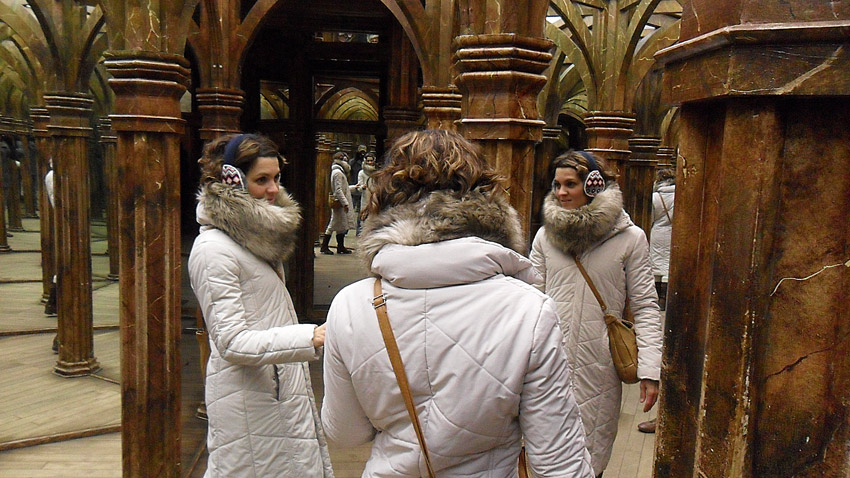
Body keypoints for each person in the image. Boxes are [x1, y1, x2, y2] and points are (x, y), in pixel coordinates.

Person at [322, 130, 594, 477]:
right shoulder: (529, 310)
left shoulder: (350, 304)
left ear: (386, 200)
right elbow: (558, 460)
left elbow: (345, 433)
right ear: (484, 199)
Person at [188, 133, 334, 478]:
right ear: (232, 182)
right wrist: (309, 337)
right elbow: (231, 342)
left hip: (275, 391)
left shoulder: (253, 240)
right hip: (250, 400)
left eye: (277, 178)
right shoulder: (214, 250)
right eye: (261, 180)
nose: (273, 190)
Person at [530, 150, 663, 477]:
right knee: (544, 458)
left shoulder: (630, 238)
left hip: (599, 366)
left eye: (570, 185)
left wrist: (650, 369)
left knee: (591, 459)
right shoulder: (546, 237)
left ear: (593, 186)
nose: (560, 193)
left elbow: (646, 304)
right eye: (557, 185)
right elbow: (528, 301)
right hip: (547, 363)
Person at [636, 167, 675, 435]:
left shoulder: (654, 197)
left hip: (657, 232)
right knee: (668, 266)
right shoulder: (680, 195)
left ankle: (658, 294)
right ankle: (666, 295)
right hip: (673, 234)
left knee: (655, 267)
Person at [319, 151, 355, 255]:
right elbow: (338, 190)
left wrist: (354, 188)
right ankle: (324, 246)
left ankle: (340, 246)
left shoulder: (339, 172)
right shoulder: (338, 173)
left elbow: (343, 188)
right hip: (339, 204)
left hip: (341, 203)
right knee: (333, 224)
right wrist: (345, 203)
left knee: (341, 225)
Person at [354, 151, 376, 235]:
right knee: (364, 216)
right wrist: (361, 187)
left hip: (374, 196)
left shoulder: (375, 172)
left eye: (371, 160)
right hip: (365, 196)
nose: (370, 162)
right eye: (368, 161)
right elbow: (359, 186)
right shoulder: (362, 173)